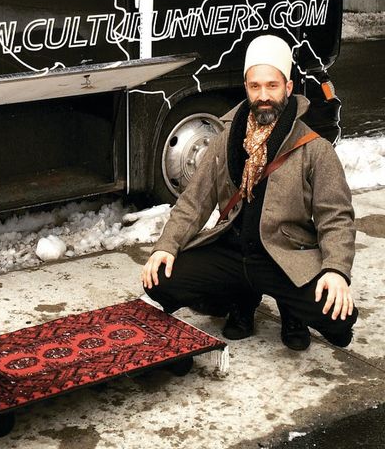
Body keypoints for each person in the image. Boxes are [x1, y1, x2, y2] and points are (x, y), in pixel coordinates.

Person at [141, 34, 358, 350]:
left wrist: (336, 270)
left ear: (288, 87)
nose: (263, 95)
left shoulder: (315, 149)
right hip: (233, 252)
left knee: (339, 319)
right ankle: (241, 300)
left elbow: (336, 218)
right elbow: (194, 201)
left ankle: (292, 311)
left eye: (272, 85)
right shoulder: (227, 137)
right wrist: (166, 246)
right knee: (160, 279)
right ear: (246, 87)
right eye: (255, 86)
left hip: (284, 256)